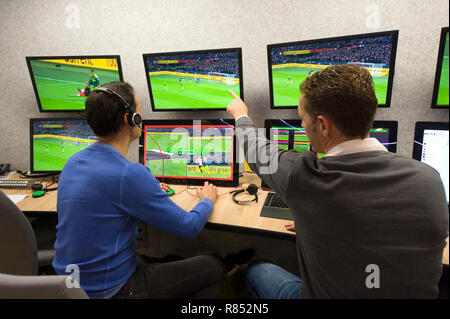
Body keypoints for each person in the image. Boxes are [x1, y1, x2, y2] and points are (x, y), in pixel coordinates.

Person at [226, 64, 448, 298]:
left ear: (323, 125)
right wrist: (314, 222)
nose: (302, 125)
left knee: (256, 270)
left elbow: (257, 152)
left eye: (302, 118)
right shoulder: (430, 179)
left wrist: (240, 114)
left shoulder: (305, 178)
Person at [52, 81, 252, 299]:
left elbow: (103, 200)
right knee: (212, 266)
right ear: (131, 119)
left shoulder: (72, 162)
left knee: (168, 257)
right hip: (112, 291)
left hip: (68, 286)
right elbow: (189, 227)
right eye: (138, 108)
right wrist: (207, 199)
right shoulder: (129, 174)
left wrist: (145, 189)